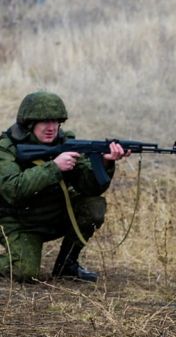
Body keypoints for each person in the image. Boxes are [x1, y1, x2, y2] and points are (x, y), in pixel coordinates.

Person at [0, 91, 129, 282]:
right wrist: (54, 168)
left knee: (93, 207)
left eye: (56, 121)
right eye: (45, 122)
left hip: (52, 215)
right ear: (29, 123)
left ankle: (67, 265)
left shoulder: (66, 143)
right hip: (19, 222)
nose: (51, 127)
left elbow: (90, 188)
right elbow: (13, 189)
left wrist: (105, 162)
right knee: (25, 272)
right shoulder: (7, 148)